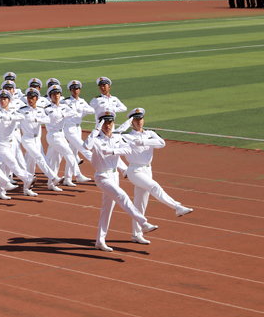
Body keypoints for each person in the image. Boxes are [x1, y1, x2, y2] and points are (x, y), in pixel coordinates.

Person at [83, 110, 158, 252]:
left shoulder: (116, 138)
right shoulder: (96, 139)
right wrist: (96, 129)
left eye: (110, 122)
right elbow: (86, 146)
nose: (108, 125)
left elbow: (128, 150)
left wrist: (112, 151)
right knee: (122, 196)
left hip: (114, 176)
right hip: (102, 176)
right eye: (104, 122)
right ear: (100, 124)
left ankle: (100, 241)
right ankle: (143, 223)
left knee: (107, 209)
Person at [121, 107, 193, 244]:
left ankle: (136, 234)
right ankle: (177, 207)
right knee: (154, 186)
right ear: (131, 122)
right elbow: (114, 135)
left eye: (140, 118)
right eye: (135, 119)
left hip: (148, 170)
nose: (139, 121)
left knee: (140, 203)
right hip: (135, 170)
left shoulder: (150, 133)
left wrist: (144, 142)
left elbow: (162, 143)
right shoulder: (126, 137)